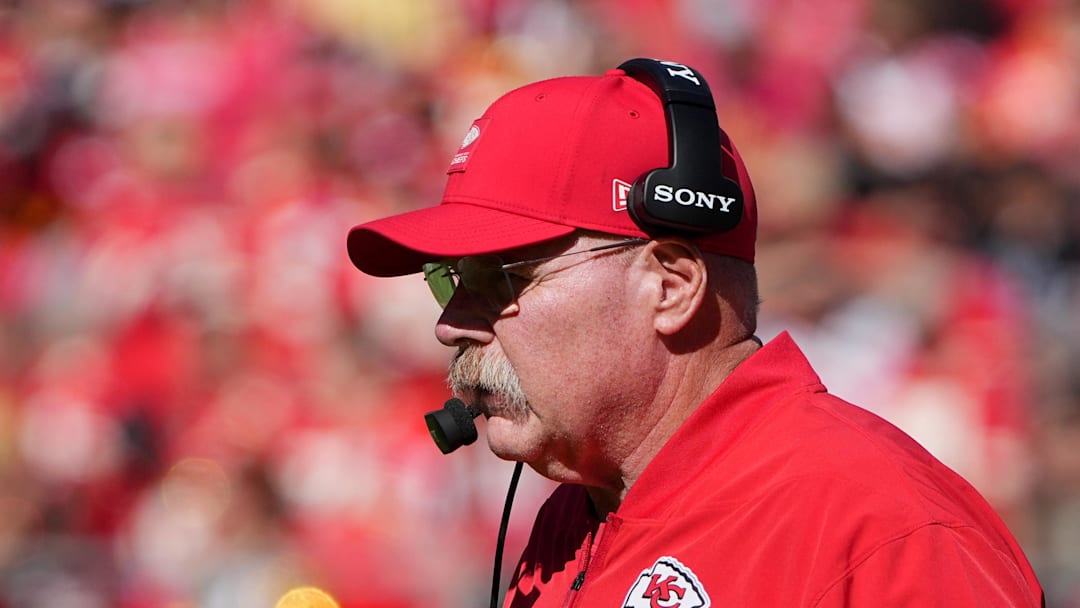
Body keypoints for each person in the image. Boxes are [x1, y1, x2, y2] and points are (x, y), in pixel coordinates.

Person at [345, 58, 1044, 607]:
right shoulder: (575, 516)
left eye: (502, 278)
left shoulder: (878, 530)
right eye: (452, 280)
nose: (449, 323)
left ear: (671, 287)